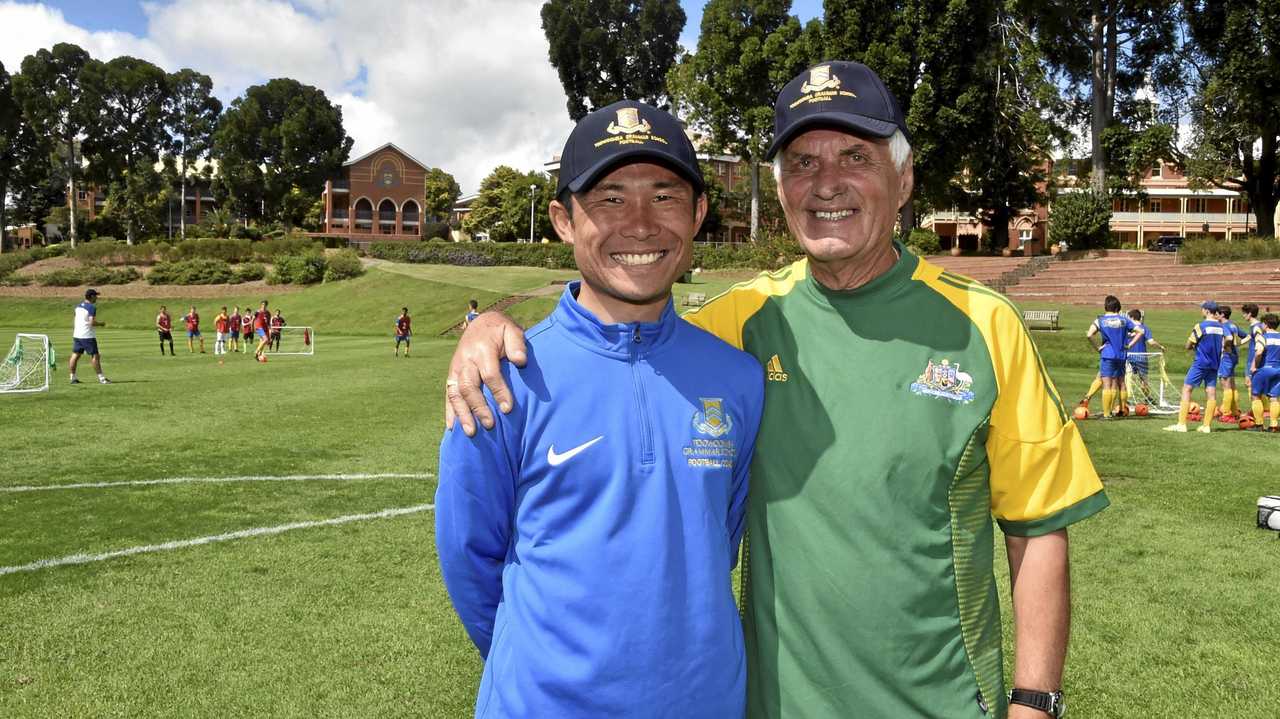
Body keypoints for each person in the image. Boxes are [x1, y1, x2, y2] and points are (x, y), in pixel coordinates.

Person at [445, 62, 1107, 719]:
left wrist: (1035, 702)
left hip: (942, 705)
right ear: (783, 188)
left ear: (903, 178)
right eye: (802, 162)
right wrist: (489, 332)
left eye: (854, 154)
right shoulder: (739, 326)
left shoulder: (985, 326)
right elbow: (625, 334)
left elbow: (1039, 527)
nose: (827, 184)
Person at [436, 101, 764, 719]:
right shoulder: (501, 378)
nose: (640, 224)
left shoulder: (738, 378)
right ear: (563, 219)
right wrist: (544, 662)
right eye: (609, 199)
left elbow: (720, 539)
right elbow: (468, 559)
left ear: (698, 213)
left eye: (665, 196)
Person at [1164, 300, 1225, 433]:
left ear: (1207, 311)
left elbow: (1188, 344)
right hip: (1215, 364)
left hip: (1201, 362)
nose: (1201, 311)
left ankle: (1181, 424)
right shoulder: (1221, 327)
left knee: (1187, 389)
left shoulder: (1201, 326)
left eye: (1202, 309)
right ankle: (1206, 425)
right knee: (1211, 392)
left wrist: (1193, 347)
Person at [1085, 295, 1135, 419]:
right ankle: (1121, 410)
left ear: (1105, 307)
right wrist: (1129, 344)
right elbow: (1139, 331)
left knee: (1107, 384)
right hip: (1121, 355)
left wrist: (1097, 347)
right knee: (1119, 383)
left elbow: (1089, 334)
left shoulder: (1100, 320)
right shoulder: (1124, 320)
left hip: (1108, 354)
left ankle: (1107, 413)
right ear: (1118, 307)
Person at [69, 288, 109, 385]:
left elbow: (76, 319)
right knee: (95, 356)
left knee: (75, 355)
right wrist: (101, 324)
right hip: (87, 335)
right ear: (91, 297)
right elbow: (92, 323)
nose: (97, 298)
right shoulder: (91, 307)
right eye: (95, 296)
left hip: (77, 334)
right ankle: (102, 378)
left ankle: (72, 377)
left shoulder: (78, 306)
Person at [1215, 305, 1248, 421]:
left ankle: (1226, 413)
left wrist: (1226, 346)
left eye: (1217, 314)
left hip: (1227, 357)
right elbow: (1247, 336)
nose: (1215, 316)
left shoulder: (1224, 326)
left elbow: (1228, 337)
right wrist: (1238, 344)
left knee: (1226, 385)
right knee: (1232, 384)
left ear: (1222, 315)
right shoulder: (1233, 325)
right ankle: (1235, 411)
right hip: (1234, 356)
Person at [1248, 313, 1280, 432]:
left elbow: (1259, 352)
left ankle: (1259, 424)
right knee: (1274, 397)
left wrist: (1254, 366)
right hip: (1278, 370)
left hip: (1264, 369)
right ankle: (1273, 425)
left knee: (1255, 396)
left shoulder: (1263, 337)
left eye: (1262, 323)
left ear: (1266, 324)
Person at [1125, 308, 1164, 399]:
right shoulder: (1144, 328)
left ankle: (1126, 398)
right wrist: (1160, 346)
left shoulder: (1127, 328)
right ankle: (1148, 398)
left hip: (1128, 356)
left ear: (1132, 317)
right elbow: (1151, 342)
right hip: (1141, 357)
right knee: (1143, 381)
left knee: (1127, 378)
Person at [1240, 303, 1265, 422]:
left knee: (1252, 386)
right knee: (1256, 387)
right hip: (1254, 359)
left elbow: (1259, 343)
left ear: (1249, 313)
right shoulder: (1256, 326)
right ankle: (1258, 410)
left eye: (1244, 313)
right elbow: (1247, 339)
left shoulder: (1256, 327)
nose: (1243, 315)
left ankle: (1258, 413)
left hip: (1254, 360)